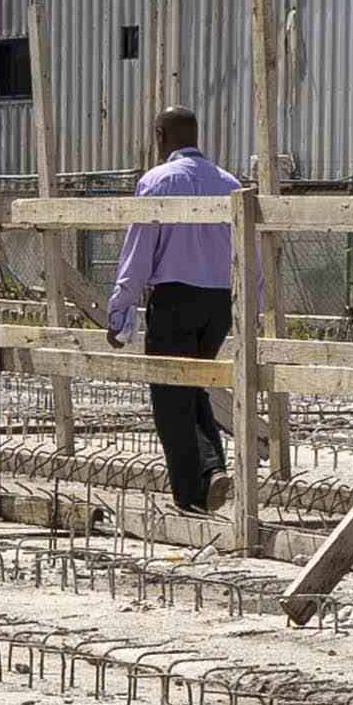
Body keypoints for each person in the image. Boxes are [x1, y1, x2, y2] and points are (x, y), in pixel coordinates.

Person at [104, 107, 243, 513]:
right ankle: (213, 471)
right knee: (192, 386)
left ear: (159, 134)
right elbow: (245, 253)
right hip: (217, 304)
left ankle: (190, 496)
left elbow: (138, 252)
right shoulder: (229, 184)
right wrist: (251, 307)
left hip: (175, 298)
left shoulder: (157, 182)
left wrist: (120, 311)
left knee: (169, 397)